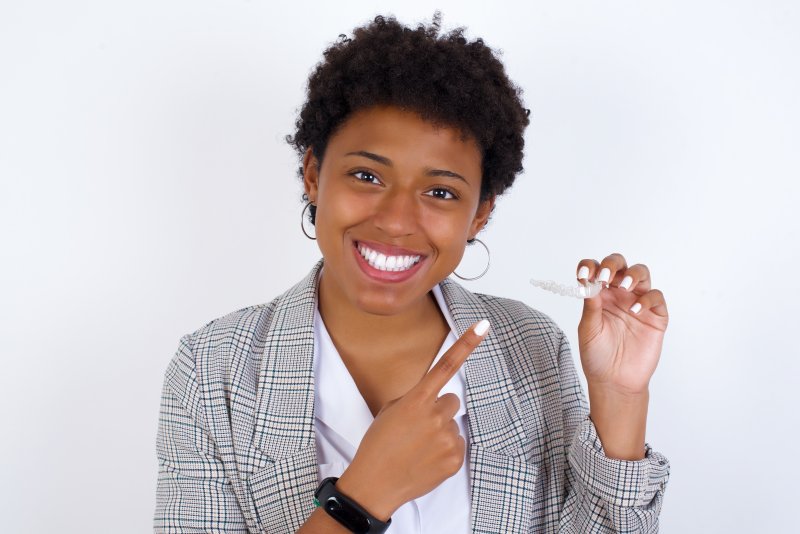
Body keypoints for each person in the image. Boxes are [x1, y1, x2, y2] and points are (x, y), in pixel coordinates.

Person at [154, 13, 670, 534]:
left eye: (440, 192)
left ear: (480, 214)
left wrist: (620, 399)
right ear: (314, 176)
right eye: (367, 175)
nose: (397, 220)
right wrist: (363, 496)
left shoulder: (532, 348)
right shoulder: (212, 371)